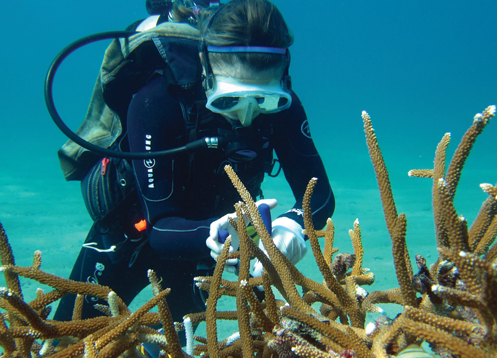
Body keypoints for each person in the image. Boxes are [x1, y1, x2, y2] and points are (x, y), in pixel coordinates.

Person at [53, 0, 335, 330]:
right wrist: (215, 233)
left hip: (211, 249)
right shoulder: (155, 102)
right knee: (66, 341)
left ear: (283, 78)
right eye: (230, 100)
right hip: (128, 238)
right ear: (206, 66)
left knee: (174, 350)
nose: (247, 116)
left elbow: (320, 196)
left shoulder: (286, 110)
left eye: (264, 100)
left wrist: (290, 225)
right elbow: (158, 228)